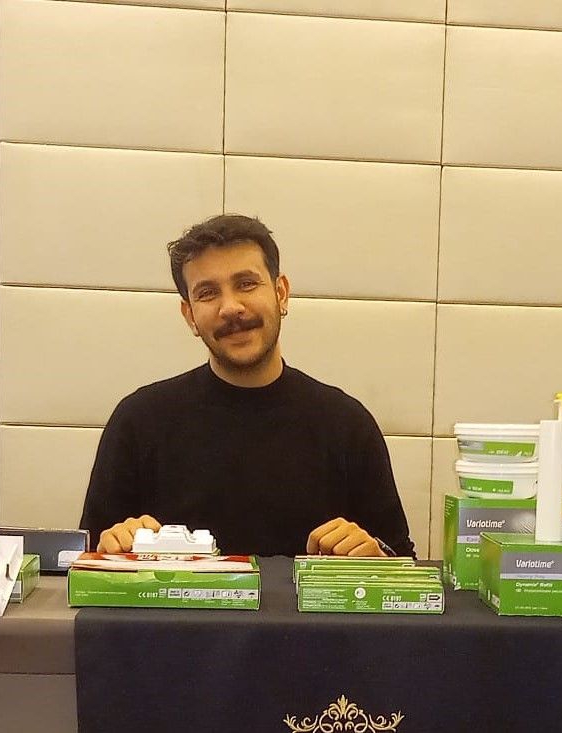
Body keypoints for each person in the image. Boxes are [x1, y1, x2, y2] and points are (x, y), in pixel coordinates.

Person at [79, 214, 414, 558]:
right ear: (190, 315)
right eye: (208, 293)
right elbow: (85, 560)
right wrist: (108, 551)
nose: (230, 308)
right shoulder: (138, 423)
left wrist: (378, 559)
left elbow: (403, 564)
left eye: (246, 284)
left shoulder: (347, 425)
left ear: (281, 294)